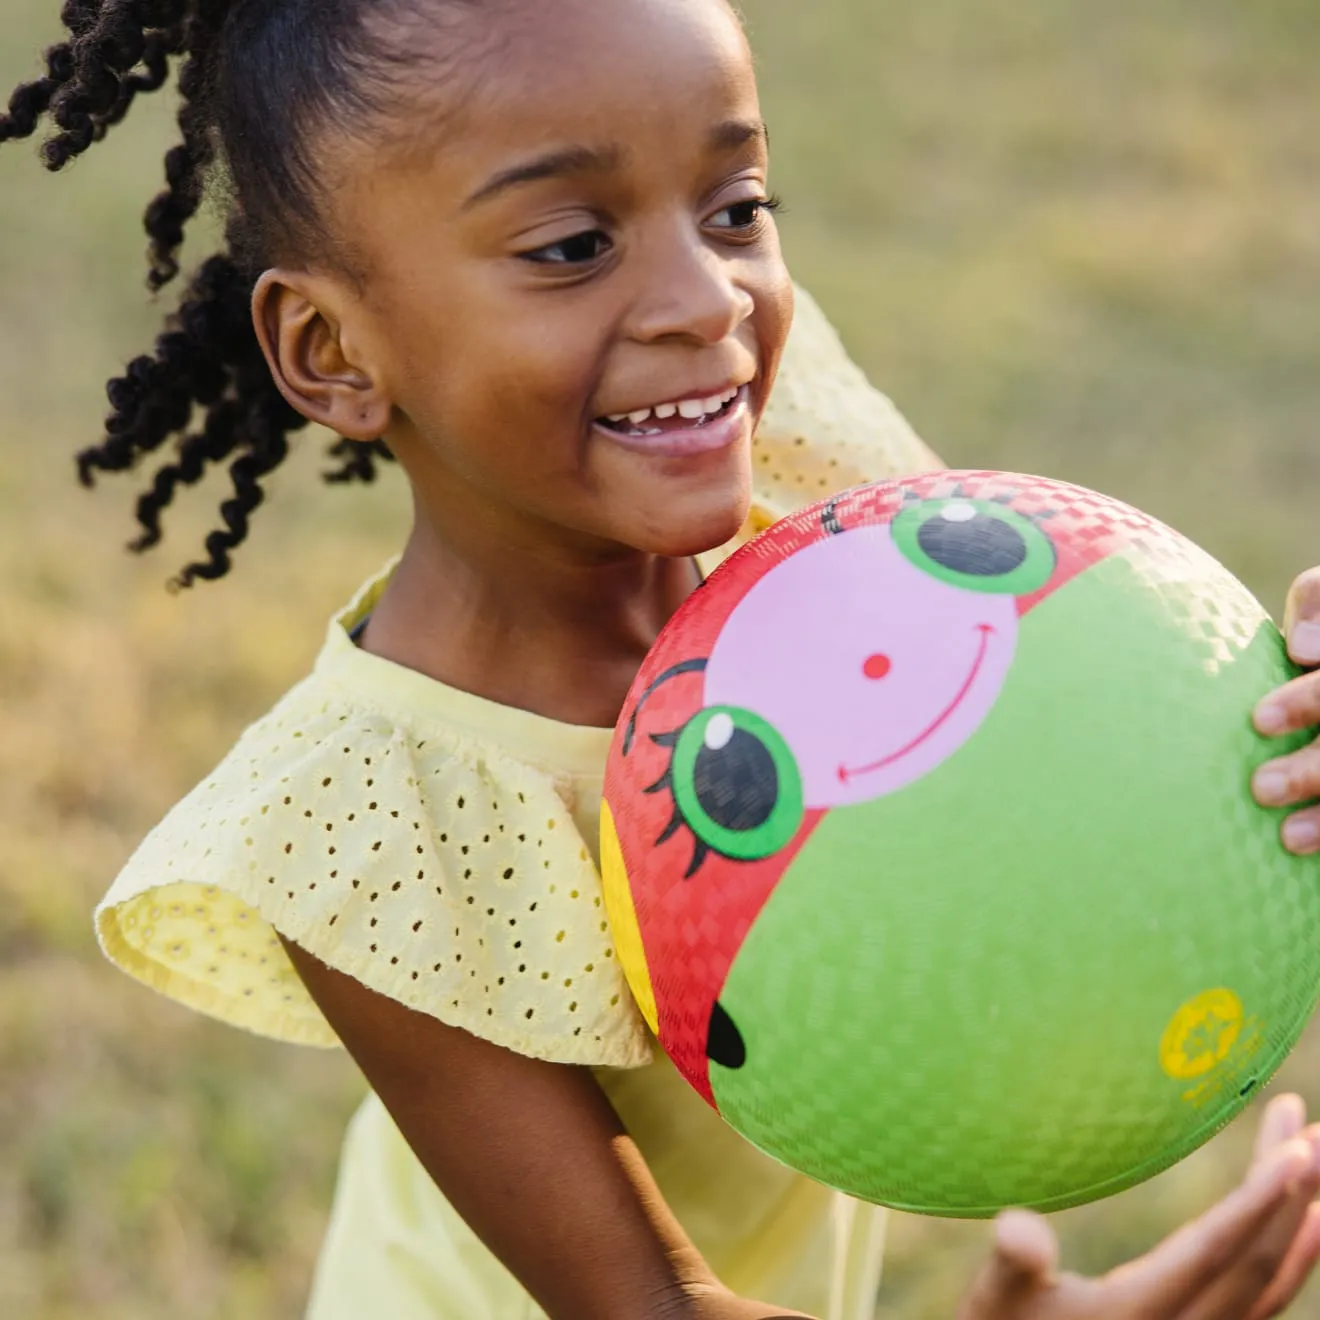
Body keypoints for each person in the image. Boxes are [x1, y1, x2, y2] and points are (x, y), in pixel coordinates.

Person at [5, 2, 1320, 1317]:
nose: (706, 302)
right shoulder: (373, 817)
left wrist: (1255, 718)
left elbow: (1030, 774)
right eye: (573, 246)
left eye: (736, 208)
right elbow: (651, 1305)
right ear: (331, 349)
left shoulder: (827, 523)